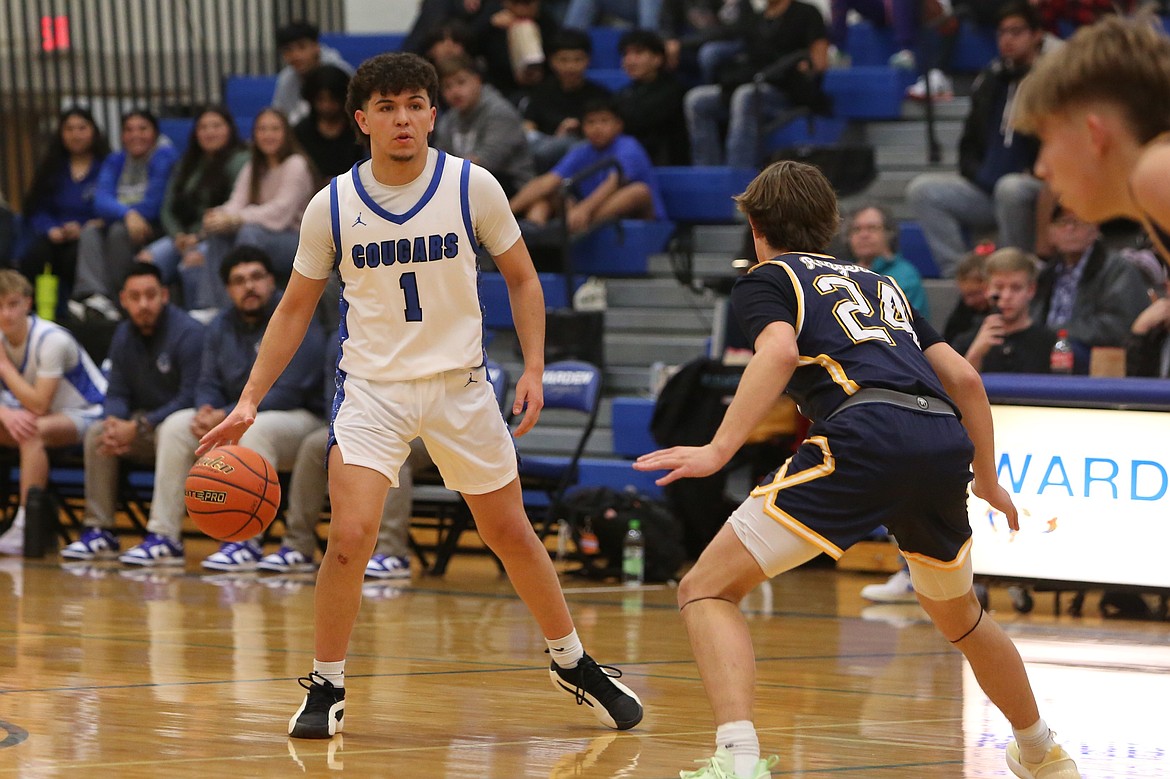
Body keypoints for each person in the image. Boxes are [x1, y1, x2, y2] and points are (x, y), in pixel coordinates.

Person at [196, 51, 643, 740]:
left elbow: (524, 280)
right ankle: (329, 683)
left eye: (414, 105)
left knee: (510, 533)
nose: (402, 118)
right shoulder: (333, 204)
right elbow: (291, 309)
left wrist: (533, 366)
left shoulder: (474, 186)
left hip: (460, 385)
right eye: (386, 107)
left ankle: (572, 660)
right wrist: (251, 399)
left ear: (434, 114)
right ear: (361, 120)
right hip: (372, 390)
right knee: (349, 538)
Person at [633, 160, 1080, 779]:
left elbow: (780, 351)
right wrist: (987, 477)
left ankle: (736, 762)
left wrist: (717, 449)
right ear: (830, 226)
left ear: (756, 226)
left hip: (865, 433)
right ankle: (1041, 750)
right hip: (939, 438)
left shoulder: (768, 277)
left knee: (705, 588)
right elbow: (966, 379)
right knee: (964, 619)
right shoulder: (879, 284)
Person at [118, 246, 324, 568]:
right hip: (237, 413)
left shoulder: (296, 316)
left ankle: (244, 542)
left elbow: (288, 391)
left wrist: (229, 414)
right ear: (228, 289)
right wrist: (205, 410)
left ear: (272, 281)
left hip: (300, 418)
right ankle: (164, 537)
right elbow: (206, 380)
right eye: (239, 281)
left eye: (256, 277)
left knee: (258, 431)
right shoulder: (219, 325)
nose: (249, 286)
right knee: (175, 426)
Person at [60, 263, 205, 560]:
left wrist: (140, 425)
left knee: (172, 428)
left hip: (185, 435)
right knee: (99, 433)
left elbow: (191, 396)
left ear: (164, 295)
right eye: (135, 297)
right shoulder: (123, 335)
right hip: (144, 433)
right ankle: (100, 530)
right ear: (124, 300)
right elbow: (116, 393)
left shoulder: (189, 333)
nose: (144, 305)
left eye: (150, 296)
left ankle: (165, 538)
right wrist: (115, 423)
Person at [1012, 15, 1170, 266]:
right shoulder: (1152, 197)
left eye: (1046, 139)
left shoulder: (1156, 172)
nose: (1041, 168)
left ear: (1093, 134)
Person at [905, 1, 1048, 278]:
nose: (1007, 39)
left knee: (1010, 188)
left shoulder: (1050, 82)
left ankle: (1013, 272)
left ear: (1036, 35)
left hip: (1032, 186)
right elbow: (969, 141)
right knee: (923, 190)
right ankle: (964, 275)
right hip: (987, 188)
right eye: (1002, 32)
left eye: (1016, 31)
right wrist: (975, 172)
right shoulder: (991, 79)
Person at [0, 270, 106, 555]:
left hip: (91, 414)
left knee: (32, 431)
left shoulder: (51, 340)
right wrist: (5, 413)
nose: (6, 314)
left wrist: (4, 367)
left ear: (28, 303)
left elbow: (39, 405)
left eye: (13, 304)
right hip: (33, 415)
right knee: (25, 426)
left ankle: (25, 526)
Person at [183, 109, 316, 311]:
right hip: (264, 234)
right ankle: (212, 307)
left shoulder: (295, 164)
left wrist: (235, 219)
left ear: (286, 133)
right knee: (220, 232)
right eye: (262, 129)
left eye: (274, 129)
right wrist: (217, 216)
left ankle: (240, 307)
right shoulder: (253, 166)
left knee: (248, 231)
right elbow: (236, 202)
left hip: (296, 240)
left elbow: (280, 213)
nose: (268, 135)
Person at [683, 0, 829, 168]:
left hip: (788, 93)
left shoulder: (807, 13)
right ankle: (707, 176)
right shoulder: (755, 19)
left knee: (746, 95)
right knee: (697, 100)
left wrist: (802, 66)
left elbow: (819, 62)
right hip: (755, 81)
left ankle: (738, 177)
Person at [70, 110, 180, 322]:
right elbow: (100, 200)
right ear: (121, 136)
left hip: (156, 228)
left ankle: (122, 298)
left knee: (118, 232)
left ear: (155, 133)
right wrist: (128, 214)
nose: (135, 135)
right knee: (91, 231)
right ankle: (93, 296)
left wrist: (124, 215)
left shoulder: (165, 156)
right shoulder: (115, 160)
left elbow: (155, 203)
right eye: (128, 130)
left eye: (142, 129)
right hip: (124, 221)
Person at [509, 96, 665, 236]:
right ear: (583, 127)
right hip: (590, 212)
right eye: (591, 122)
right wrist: (506, 212)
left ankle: (568, 226)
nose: (597, 128)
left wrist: (583, 210)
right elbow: (548, 181)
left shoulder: (629, 147)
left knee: (638, 191)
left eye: (604, 121)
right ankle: (534, 231)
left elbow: (613, 183)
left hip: (639, 218)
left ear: (618, 125)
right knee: (548, 192)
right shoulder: (582, 150)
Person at [137, 107, 249, 286]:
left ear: (230, 128)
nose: (209, 132)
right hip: (181, 237)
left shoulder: (241, 160)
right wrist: (178, 235)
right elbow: (167, 207)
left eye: (216, 126)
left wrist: (197, 237)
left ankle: (201, 312)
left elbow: (235, 206)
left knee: (193, 261)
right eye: (203, 127)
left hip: (217, 237)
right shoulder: (187, 162)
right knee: (146, 261)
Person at [1030, 204, 1150, 372]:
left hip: (1095, 356)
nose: (1070, 229)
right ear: (1050, 233)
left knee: (1065, 351)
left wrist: (1055, 333)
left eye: (1077, 222)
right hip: (1047, 350)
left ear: (1095, 229)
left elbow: (1119, 327)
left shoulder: (1117, 269)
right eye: (1062, 223)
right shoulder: (1045, 274)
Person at [18, 108, 110, 310]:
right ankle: (32, 312)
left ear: (94, 131)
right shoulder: (53, 167)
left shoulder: (106, 166)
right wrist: (51, 228)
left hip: (90, 236)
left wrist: (85, 227)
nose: (75, 134)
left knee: (74, 256)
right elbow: (37, 207)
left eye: (82, 128)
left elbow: (111, 206)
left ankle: (79, 308)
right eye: (69, 129)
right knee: (35, 255)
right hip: (56, 234)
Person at [433, 53, 536, 197]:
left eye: (461, 82)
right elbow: (440, 162)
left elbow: (487, 162)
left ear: (477, 80)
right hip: (466, 184)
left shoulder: (499, 112)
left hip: (510, 186)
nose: (454, 92)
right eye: (447, 87)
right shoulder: (448, 120)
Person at [520, 29, 612, 173]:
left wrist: (579, 128)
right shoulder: (541, 91)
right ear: (551, 61)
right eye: (563, 60)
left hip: (583, 150)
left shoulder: (600, 95)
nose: (571, 66)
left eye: (577, 60)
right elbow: (528, 126)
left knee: (575, 147)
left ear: (588, 60)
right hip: (544, 149)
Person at [952, 247, 1055, 373]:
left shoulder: (1050, 344)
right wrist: (976, 354)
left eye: (1016, 288)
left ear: (1031, 290)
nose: (1006, 296)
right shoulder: (965, 342)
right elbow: (951, 389)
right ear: (986, 290)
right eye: (999, 287)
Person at [613, 29, 689, 166]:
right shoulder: (624, 92)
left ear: (657, 59)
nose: (629, 60)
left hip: (664, 161)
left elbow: (641, 121)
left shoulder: (673, 90)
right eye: (626, 54)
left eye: (638, 53)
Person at [843, 204, 930, 316]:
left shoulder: (905, 275)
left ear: (889, 233)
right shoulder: (841, 274)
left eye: (872, 228)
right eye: (856, 229)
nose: (863, 235)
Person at [273, 20, 355, 126]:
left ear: (316, 46)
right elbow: (279, 118)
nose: (295, 55)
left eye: (301, 47)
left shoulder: (341, 72)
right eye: (288, 50)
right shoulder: (286, 79)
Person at [294, 65, 367, 182]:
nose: (326, 106)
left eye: (332, 99)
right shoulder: (300, 131)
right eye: (320, 100)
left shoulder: (360, 129)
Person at [943, 247, 993, 344]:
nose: (969, 302)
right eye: (965, 296)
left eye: (975, 294)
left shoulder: (1005, 310)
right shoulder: (962, 310)